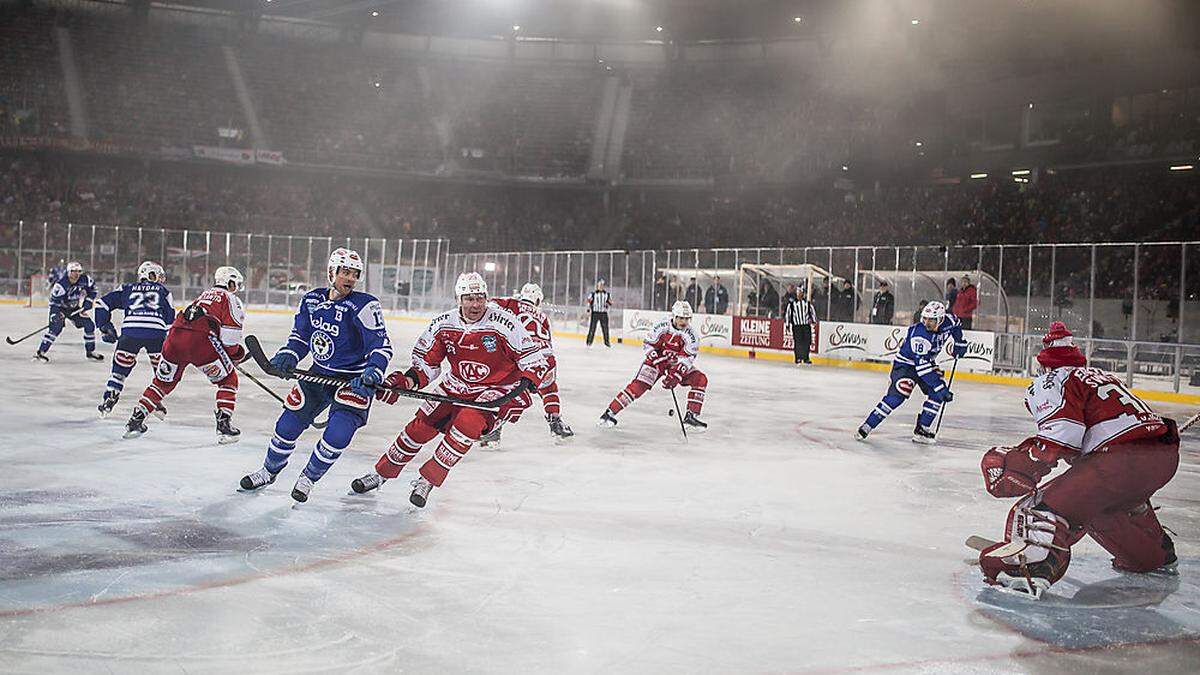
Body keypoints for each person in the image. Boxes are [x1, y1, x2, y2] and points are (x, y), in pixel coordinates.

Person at [976, 322, 1179, 598]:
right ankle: (1153, 554)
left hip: (1118, 463)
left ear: (1045, 362)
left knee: (1036, 509)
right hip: (1162, 458)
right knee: (1103, 505)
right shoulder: (1103, 376)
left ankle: (1028, 569)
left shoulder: (1054, 380)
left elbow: (1063, 435)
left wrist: (1023, 463)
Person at [348, 272, 550, 508]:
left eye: (479, 298)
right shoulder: (444, 323)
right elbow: (426, 365)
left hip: (495, 389)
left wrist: (524, 385)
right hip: (456, 385)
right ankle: (380, 474)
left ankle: (427, 480)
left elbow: (534, 359)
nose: (475, 304)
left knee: (467, 425)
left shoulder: (505, 322)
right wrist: (404, 382)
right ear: (458, 299)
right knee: (419, 428)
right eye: (469, 298)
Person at [238, 248, 393, 503]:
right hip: (318, 376)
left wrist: (373, 371)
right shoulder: (312, 300)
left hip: (352, 381)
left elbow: (381, 346)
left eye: (355, 274)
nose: (351, 278)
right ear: (331, 272)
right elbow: (300, 337)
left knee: (338, 434)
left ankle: (308, 478)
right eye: (345, 272)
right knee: (287, 425)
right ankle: (268, 471)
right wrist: (289, 355)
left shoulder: (365, 305)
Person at [123, 266, 246, 443]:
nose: (237, 289)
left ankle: (135, 421)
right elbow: (230, 337)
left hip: (174, 338)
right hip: (200, 342)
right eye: (237, 285)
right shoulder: (230, 298)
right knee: (228, 380)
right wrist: (235, 355)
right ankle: (224, 427)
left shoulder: (203, 296)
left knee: (163, 382)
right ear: (231, 283)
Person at [855, 300, 966, 444]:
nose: (927, 323)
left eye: (931, 320)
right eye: (924, 319)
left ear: (940, 319)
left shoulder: (949, 320)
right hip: (906, 365)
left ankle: (922, 430)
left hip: (926, 362)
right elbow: (923, 368)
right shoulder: (919, 335)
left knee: (936, 396)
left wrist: (959, 342)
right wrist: (940, 387)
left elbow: (957, 325)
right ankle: (868, 425)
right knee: (896, 398)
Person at [479, 282, 574, 444]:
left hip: (522, 356)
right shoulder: (542, 316)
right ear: (537, 300)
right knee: (549, 388)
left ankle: (494, 430)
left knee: (507, 392)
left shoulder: (511, 304)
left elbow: (488, 305)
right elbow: (548, 341)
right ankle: (555, 422)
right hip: (545, 357)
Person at [599, 300, 708, 432]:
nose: (683, 322)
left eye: (686, 318)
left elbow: (687, 358)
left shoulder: (692, 336)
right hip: (657, 360)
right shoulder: (661, 325)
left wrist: (676, 375)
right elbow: (648, 344)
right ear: (674, 316)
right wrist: (656, 360)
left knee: (700, 379)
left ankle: (691, 416)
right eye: (680, 318)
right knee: (638, 386)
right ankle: (609, 413)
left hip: (674, 364)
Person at [94, 261, 175, 417]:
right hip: (156, 332)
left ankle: (109, 397)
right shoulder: (163, 291)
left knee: (120, 369)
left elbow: (101, 303)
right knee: (161, 371)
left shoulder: (127, 288)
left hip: (131, 331)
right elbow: (170, 320)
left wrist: (104, 325)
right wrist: (172, 342)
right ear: (151, 274)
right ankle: (154, 401)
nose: (160, 279)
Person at [35, 261, 102, 362]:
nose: (76, 274)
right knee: (55, 328)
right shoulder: (61, 285)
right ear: (68, 272)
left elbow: (93, 290)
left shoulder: (85, 279)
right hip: (60, 308)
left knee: (89, 325)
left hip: (75, 309)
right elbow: (54, 302)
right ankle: (41, 352)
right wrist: (56, 315)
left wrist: (88, 301)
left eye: (79, 271)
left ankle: (90, 352)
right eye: (74, 271)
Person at [784, 285, 816, 364]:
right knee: (798, 342)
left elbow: (812, 312)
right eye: (798, 293)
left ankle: (806, 358)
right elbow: (788, 314)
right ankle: (798, 357)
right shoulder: (792, 304)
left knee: (807, 342)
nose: (799, 294)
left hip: (805, 325)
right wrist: (787, 325)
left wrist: (814, 321)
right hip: (797, 326)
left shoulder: (807, 304)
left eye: (801, 293)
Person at [585, 279, 612, 347]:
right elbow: (588, 302)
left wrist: (607, 304)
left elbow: (610, 302)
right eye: (600, 285)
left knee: (605, 328)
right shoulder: (593, 294)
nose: (601, 287)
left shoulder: (607, 294)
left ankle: (607, 342)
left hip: (603, 313)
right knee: (592, 328)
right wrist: (588, 310)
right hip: (595, 313)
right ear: (597, 286)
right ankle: (589, 342)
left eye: (602, 285)